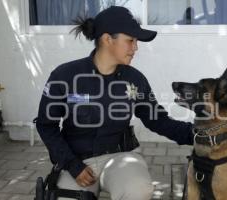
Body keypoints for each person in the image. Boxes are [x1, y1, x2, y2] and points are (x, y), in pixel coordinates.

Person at [36, 6, 193, 200]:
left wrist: (197, 134)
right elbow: (46, 126)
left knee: (139, 190)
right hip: (76, 162)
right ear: (107, 39)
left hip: (121, 158)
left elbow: (157, 119)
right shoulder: (64, 76)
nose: (135, 47)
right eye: (130, 40)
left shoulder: (135, 79)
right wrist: (72, 165)